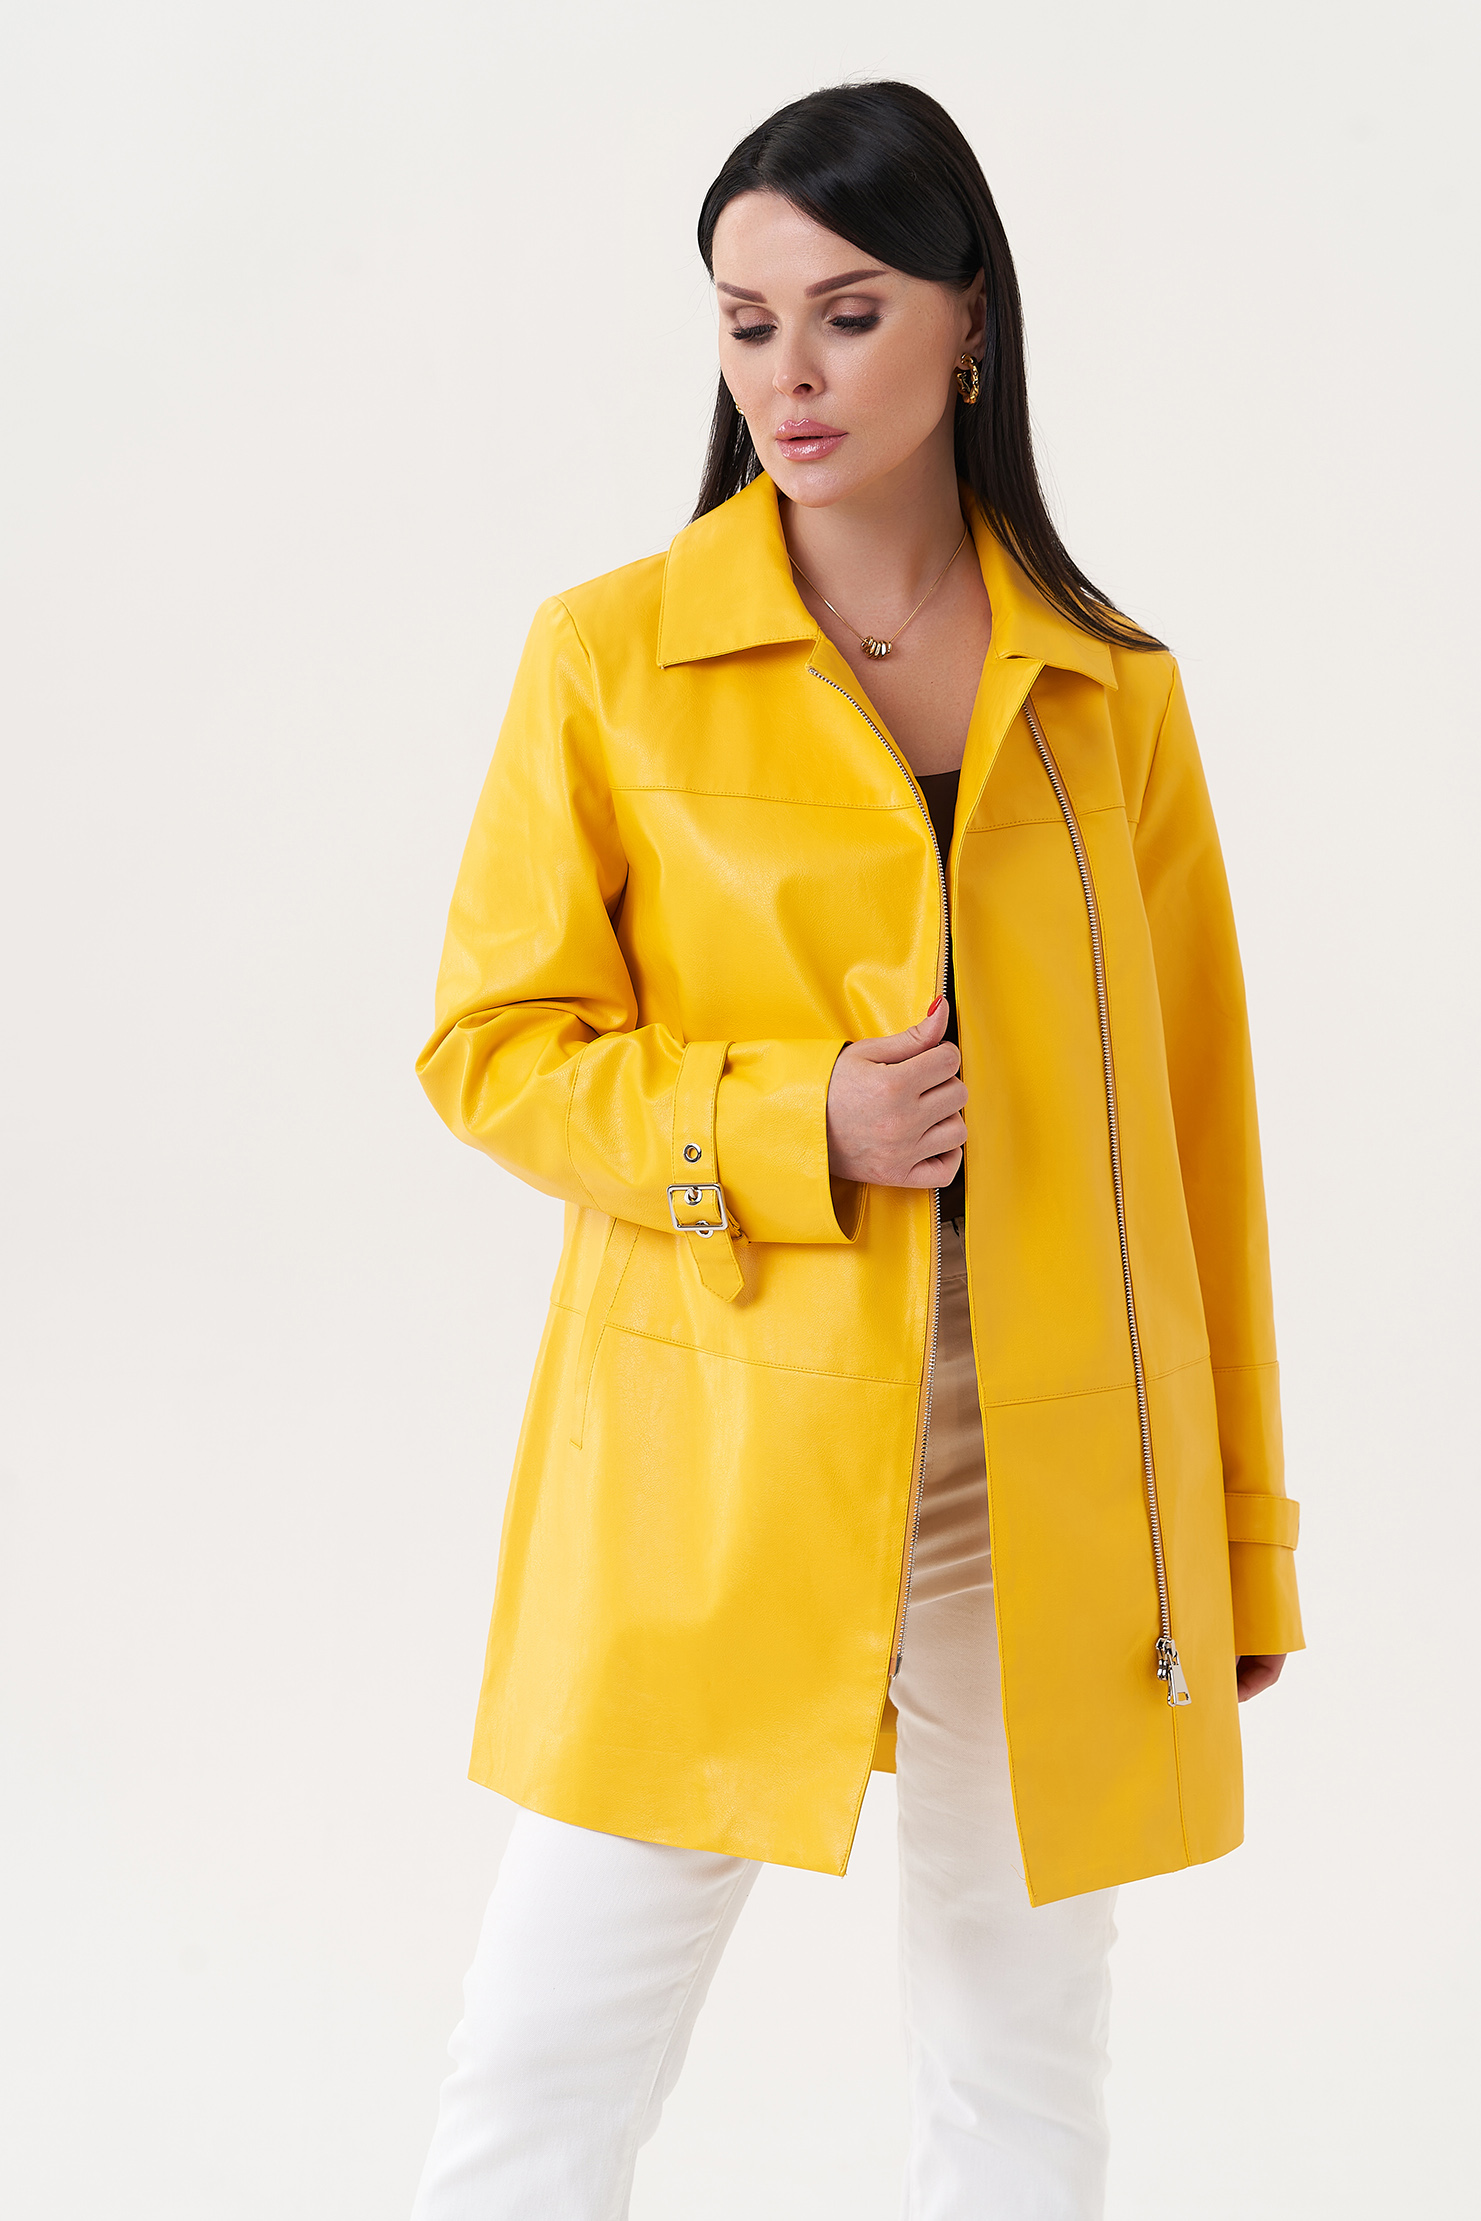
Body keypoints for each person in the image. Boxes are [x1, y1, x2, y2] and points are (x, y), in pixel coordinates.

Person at [409, 78, 1304, 2221]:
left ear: (969, 322)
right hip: (716, 1456)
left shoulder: (1111, 692)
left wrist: (1236, 1533)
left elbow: (1200, 1138)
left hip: (1045, 1466)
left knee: (1021, 2067)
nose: (787, 375)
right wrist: (789, 1119)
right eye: (746, 324)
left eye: (847, 311)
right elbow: (491, 1049)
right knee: (542, 2067)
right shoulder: (611, 657)